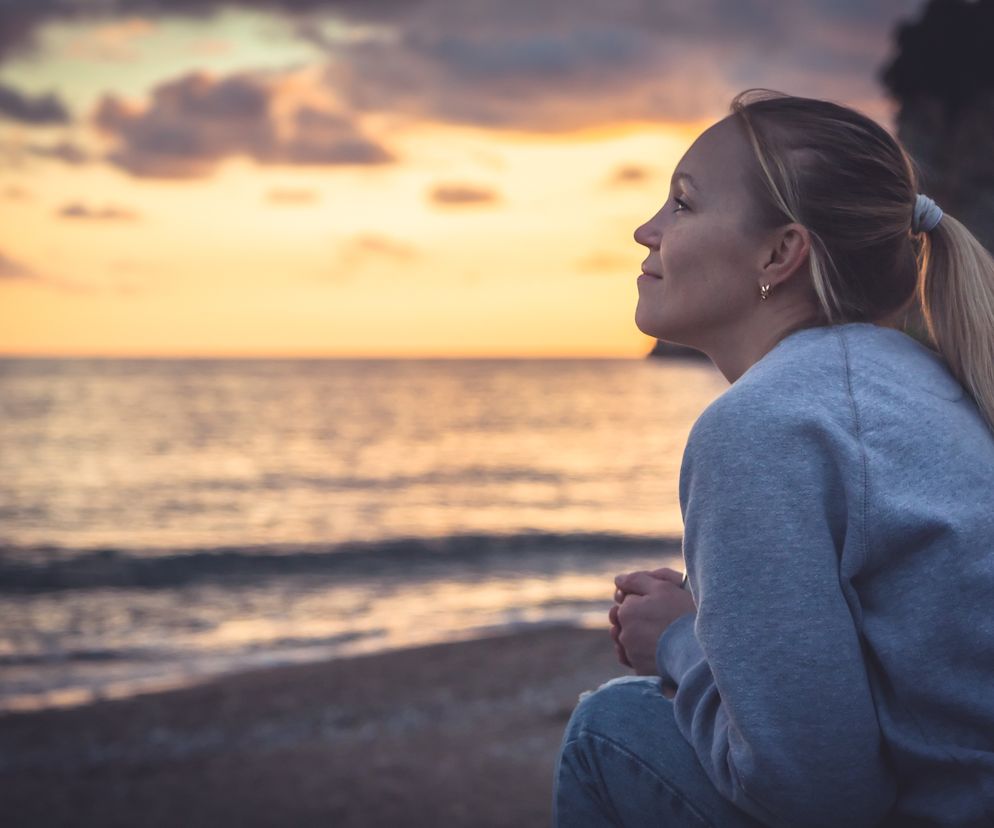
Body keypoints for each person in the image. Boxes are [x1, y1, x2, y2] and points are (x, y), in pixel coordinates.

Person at [551, 88, 994, 828]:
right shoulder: (923, 382)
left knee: (612, 728)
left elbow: (817, 794)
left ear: (781, 252)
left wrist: (677, 642)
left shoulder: (763, 425)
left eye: (683, 205)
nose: (644, 230)